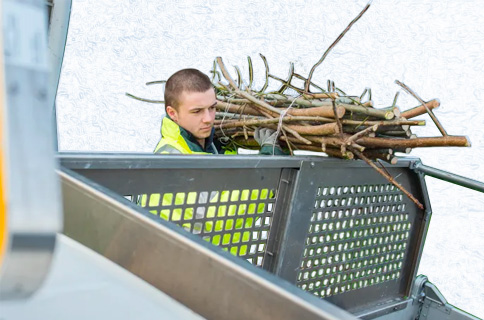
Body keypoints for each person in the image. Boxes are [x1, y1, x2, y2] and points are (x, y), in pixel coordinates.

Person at [153, 68, 286, 155]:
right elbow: (227, 197)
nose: (208, 119)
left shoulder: (212, 146)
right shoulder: (171, 156)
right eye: (197, 111)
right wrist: (270, 153)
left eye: (212, 108)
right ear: (172, 113)